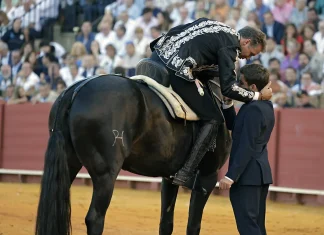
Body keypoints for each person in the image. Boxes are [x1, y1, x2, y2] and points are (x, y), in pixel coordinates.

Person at [149, 17, 272, 189]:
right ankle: (185, 172)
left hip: (157, 56)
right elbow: (228, 89)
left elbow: (177, 30)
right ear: (246, 41)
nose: (246, 58)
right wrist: (258, 95)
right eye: (250, 53)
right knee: (214, 118)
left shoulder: (216, 25)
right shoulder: (231, 47)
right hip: (176, 69)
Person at [219, 64, 275, 235]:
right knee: (256, 225)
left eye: (241, 84)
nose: (237, 87)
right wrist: (227, 103)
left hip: (247, 176)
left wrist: (231, 175)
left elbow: (247, 144)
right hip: (257, 174)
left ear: (252, 88)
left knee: (248, 227)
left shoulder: (254, 108)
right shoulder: (263, 106)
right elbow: (236, 128)